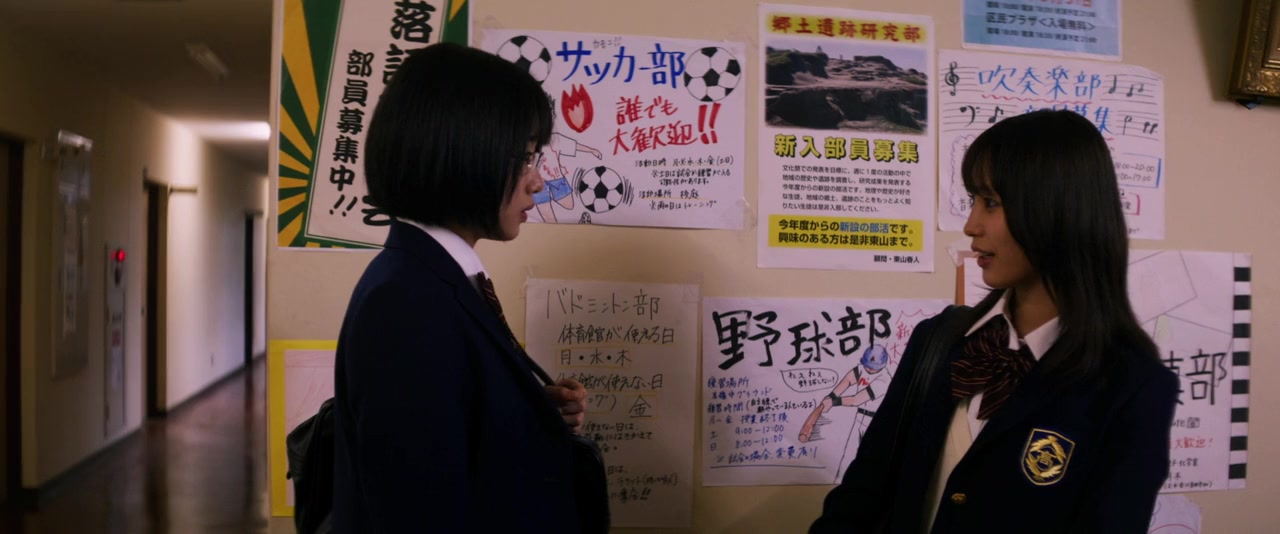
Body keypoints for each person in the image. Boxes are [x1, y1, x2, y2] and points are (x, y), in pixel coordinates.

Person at [811, 110, 1178, 533]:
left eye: (991, 202)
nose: (971, 226)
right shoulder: (938, 340)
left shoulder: (1133, 386)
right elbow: (860, 498)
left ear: (1058, 208)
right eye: (973, 200)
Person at [331, 43, 593, 533]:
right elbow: (419, 510)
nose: (538, 182)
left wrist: (531, 410)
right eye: (526, 158)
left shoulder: (435, 276)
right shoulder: (406, 304)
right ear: (463, 153)